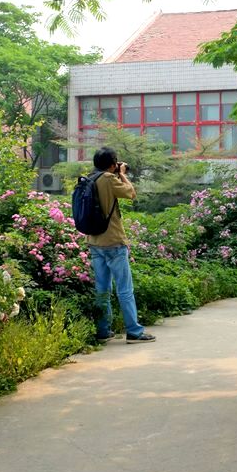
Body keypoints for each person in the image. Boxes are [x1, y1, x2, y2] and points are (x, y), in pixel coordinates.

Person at [87, 147, 155, 344]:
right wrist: (123, 174)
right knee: (125, 289)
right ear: (112, 164)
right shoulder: (109, 179)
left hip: (94, 241)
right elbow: (131, 193)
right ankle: (134, 331)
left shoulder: (90, 178)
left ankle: (103, 331)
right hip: (114, 242)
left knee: (102, 289)